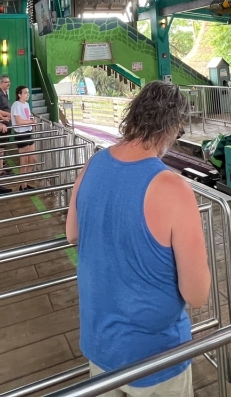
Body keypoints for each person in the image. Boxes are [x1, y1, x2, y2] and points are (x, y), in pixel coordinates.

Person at [67, 81, 210, 394]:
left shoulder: (93, 164)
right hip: (155, 354)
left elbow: (72, 234)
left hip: (100, 342)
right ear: (172, 127)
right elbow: (197, 295)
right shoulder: (173, 189)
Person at [11, 85, 37, 191]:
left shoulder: (26, 104)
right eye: (25, 93)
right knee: (24, 160)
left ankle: (24, 181)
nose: (28, 95)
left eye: (28, 92)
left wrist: (31, 120)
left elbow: (27, 117)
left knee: (32, 159)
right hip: (21, 134)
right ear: (19, 94)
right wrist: (30, 121)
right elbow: (19, 121)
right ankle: (23, 185)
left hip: (29, 131)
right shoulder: (16, 105)